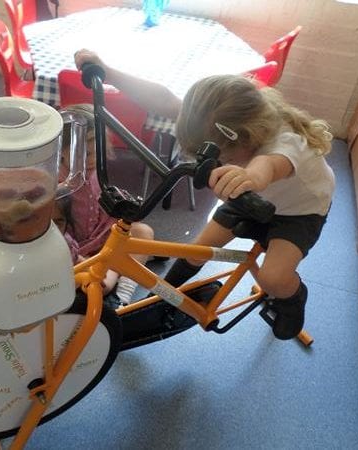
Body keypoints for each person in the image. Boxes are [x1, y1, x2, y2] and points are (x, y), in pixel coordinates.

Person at [74, 50, 335, 340]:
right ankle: (161, 299)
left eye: (224, 159)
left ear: (247, 139)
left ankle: (293, 298)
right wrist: (108, 72)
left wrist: (249, 177)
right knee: (196, 251)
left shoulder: (286, 142)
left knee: (273, 278)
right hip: (247, 197)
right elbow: (164, 100)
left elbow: (270, 166)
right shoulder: (221, 122)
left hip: (298, 212)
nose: (219, 163)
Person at [56, 103, 155, 306]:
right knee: (103, 284)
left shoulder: (92, 170)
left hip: (102, 236)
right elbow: (57, 237)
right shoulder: (55, 185)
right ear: (60, 152)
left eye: (98, 152)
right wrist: (82, 260)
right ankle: (119, 272)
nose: (94, 160)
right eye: (86, 154)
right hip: (74, 250)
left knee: (144, 232)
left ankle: (123, 297)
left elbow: (99, 200)